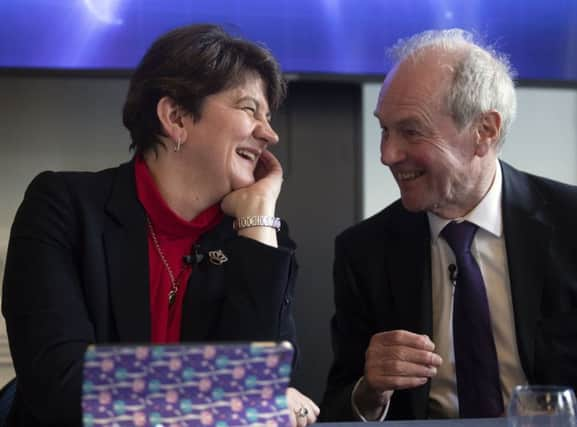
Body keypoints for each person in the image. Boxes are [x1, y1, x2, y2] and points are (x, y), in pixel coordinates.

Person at [2, 24, 318, 426]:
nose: (270, 134)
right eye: (249, 109)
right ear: (176, 117)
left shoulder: (259, 233)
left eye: (269, 116)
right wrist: (236, 395)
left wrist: (258, 224)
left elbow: (265, 394)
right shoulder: (62, 207)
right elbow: (61, 385)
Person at [321, 28, 577, 421]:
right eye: (384, 129)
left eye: (411, 131)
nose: (388, 154)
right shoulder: (364, 251)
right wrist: (371, 389)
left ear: (484, 132)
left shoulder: (569, 222)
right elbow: (340, 407)